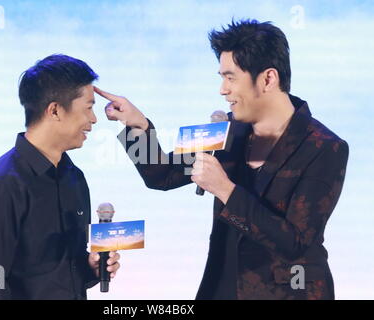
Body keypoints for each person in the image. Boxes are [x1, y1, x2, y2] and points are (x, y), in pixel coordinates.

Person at [94, 19, 349, 300]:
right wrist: (137, 127)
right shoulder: (223, 128)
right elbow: (162, 176)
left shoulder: (325, 147)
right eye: (221, 77)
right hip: (222, 287)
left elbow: (296, 241)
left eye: (231, 78)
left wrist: (225, 189)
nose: (222, 89)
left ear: (268, 79)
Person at [0, 54, 120, 300]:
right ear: (55, 110)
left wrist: (89, 268)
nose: (94, 119)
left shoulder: (74, 178)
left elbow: (61, 271)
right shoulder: (1, 186)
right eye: (89, 108)